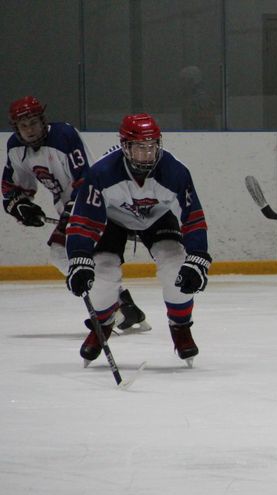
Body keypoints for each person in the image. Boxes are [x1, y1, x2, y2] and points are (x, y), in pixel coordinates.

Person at [65, 113, 212, 366]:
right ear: (125, 146)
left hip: (158, 217)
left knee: (175, 262)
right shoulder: (102, 172)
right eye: (140, 147)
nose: (148, 153)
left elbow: (193, 218)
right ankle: (103, 324)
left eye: (152, 146)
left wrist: (198, 256)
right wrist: (79, 256)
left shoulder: (175, 172)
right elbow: (84, 220)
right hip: (113, 219)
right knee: (102, 270)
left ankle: (180, 326)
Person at [2, 95, 149, 332]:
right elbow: (12, 188)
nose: (29, 130)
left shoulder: (64, 135)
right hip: (70, 209)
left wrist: (74, 211)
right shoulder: (16, 148)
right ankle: (123, 306)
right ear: (16, 128)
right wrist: (22, 206)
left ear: (43, 120)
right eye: (23, 125)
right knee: (71, 255)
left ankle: (113, 307)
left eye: (33, 122)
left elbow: (86, 178)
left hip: (95, 202)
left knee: (63, 253)